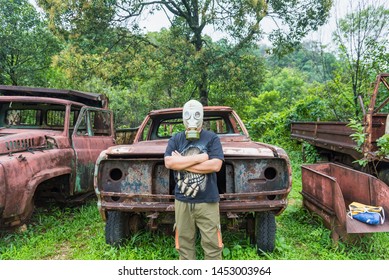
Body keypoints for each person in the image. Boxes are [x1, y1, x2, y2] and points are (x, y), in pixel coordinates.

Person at [164, 99, 224, 260]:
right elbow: (169, 162)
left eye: (196, 114)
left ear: (202, 117)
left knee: (213, 245)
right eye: (188, 114)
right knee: (184, 245)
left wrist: (181, 163)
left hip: (207, 201)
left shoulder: (212, 138)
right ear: (183, 116)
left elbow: (216, 165)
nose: (192, 119)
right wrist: (202, 158)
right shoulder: (176, 139)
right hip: (182, 201)